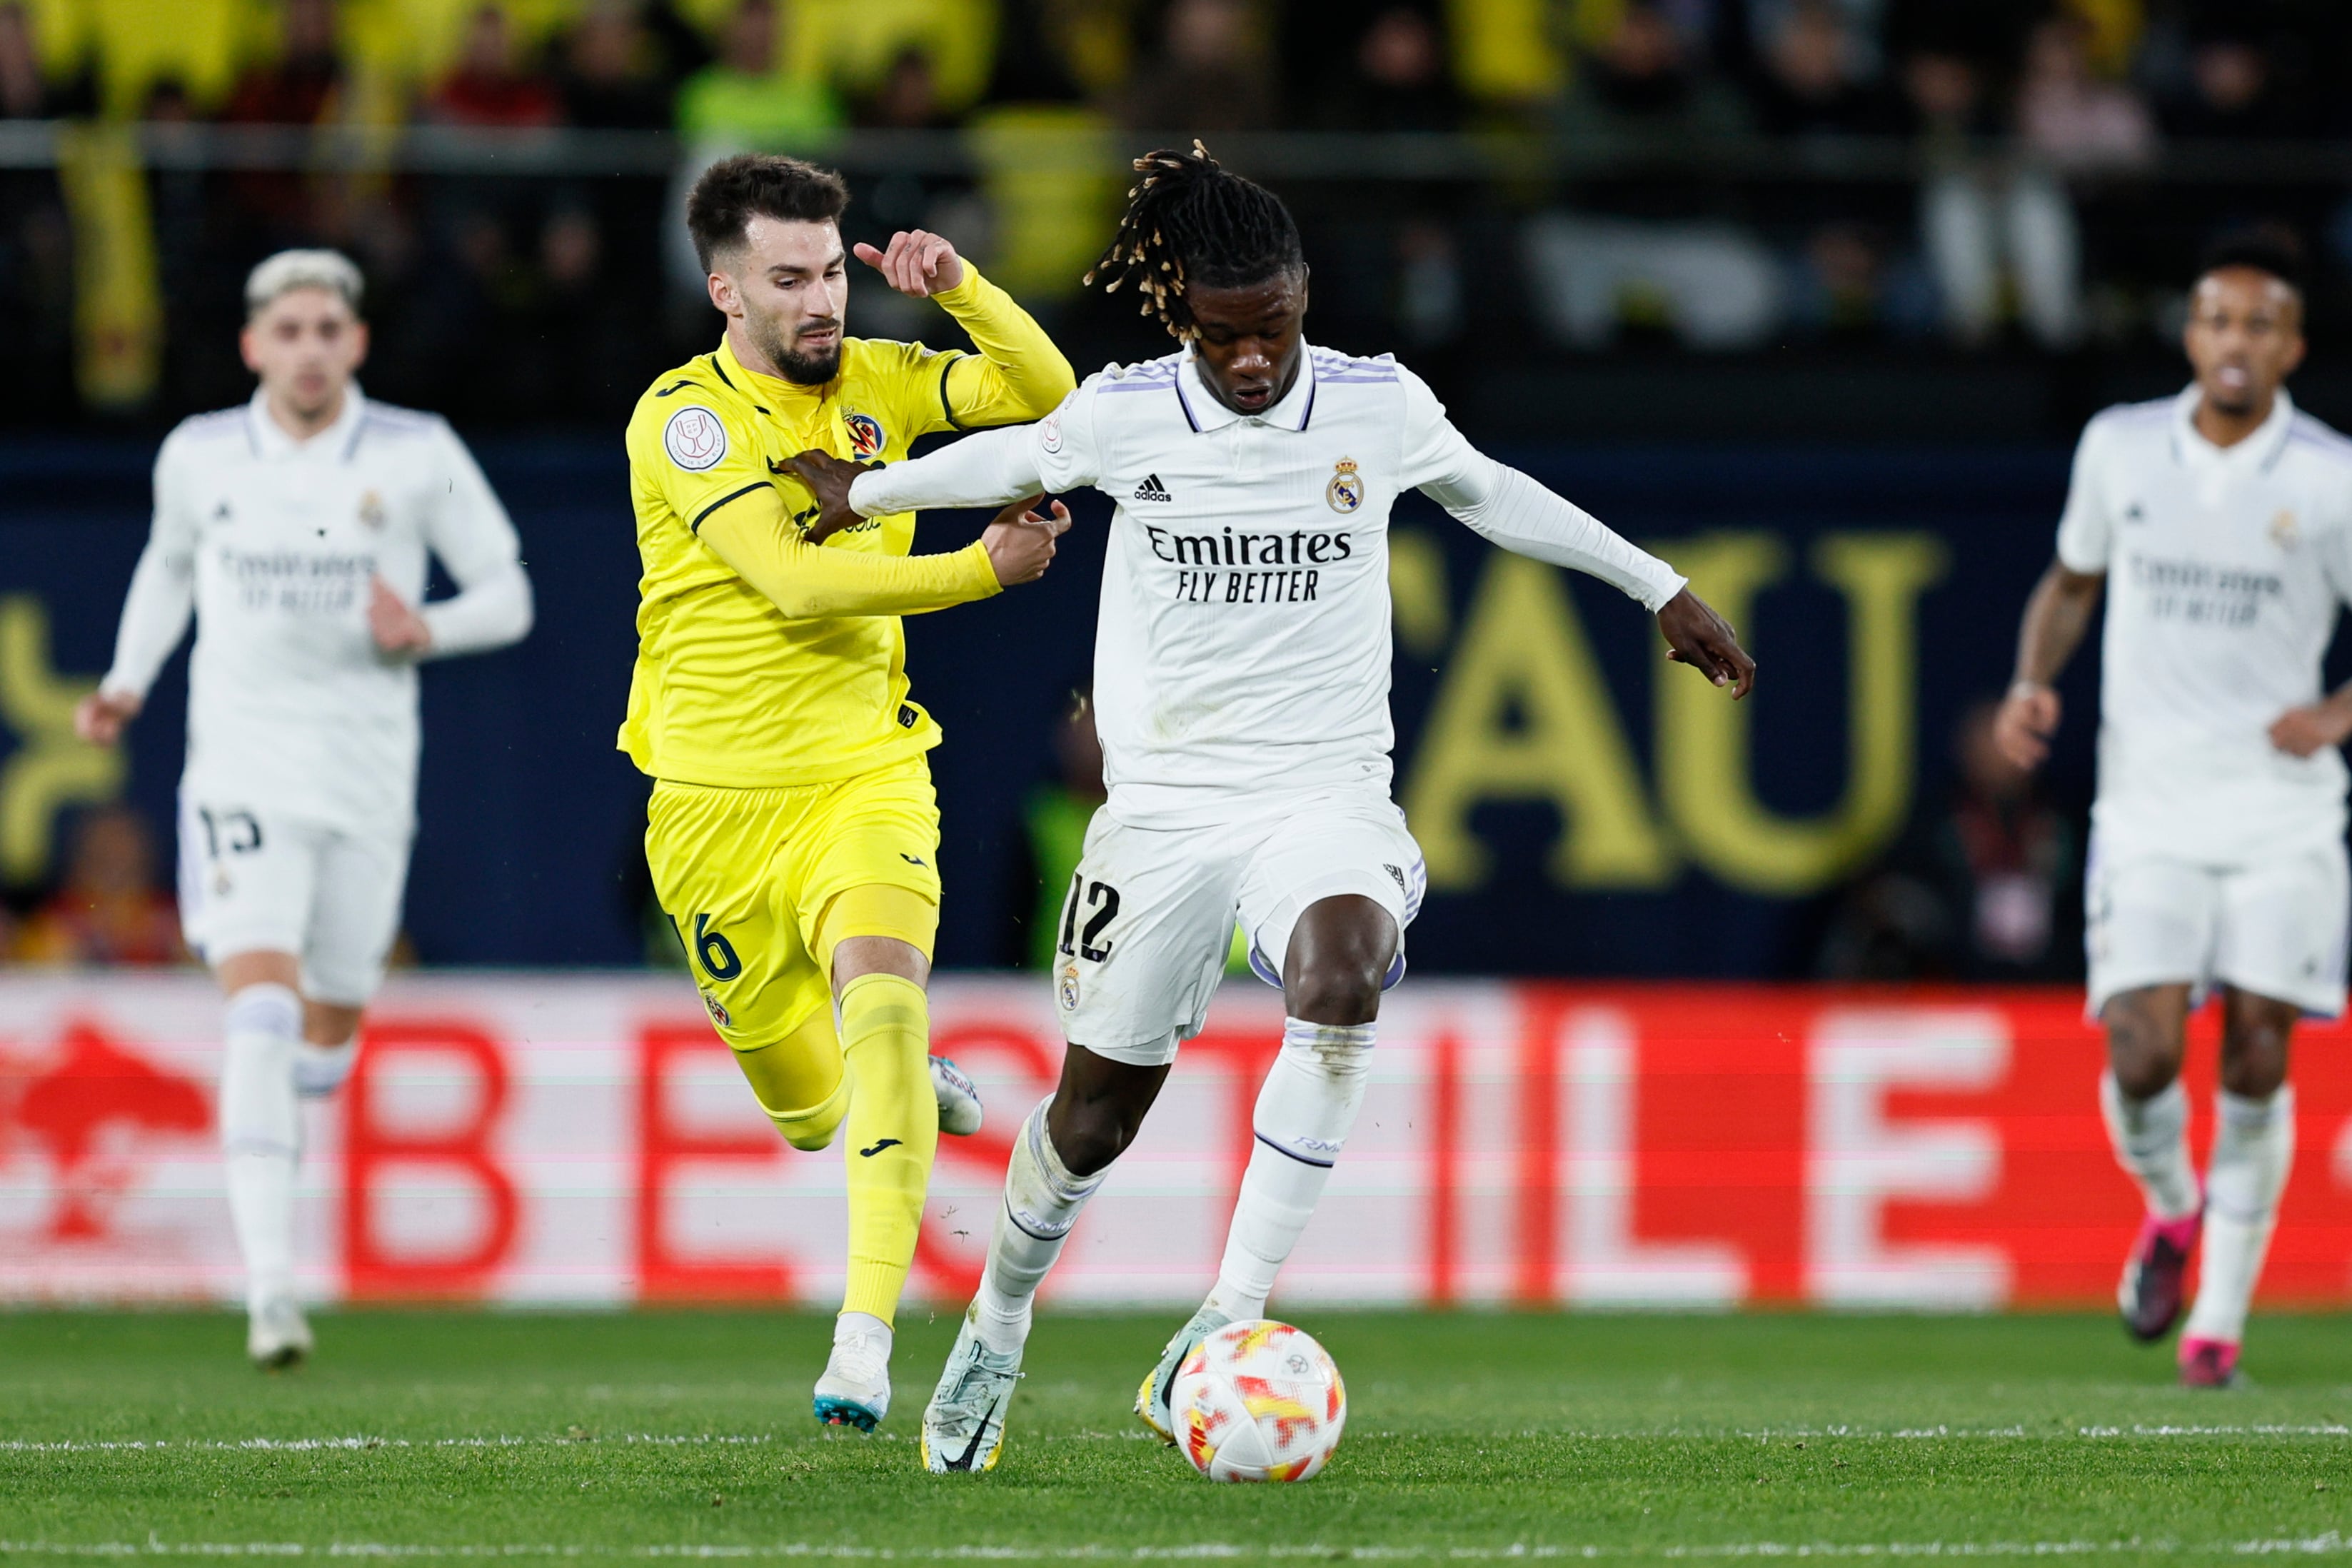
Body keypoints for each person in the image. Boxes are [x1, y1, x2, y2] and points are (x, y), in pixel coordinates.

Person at [788, 144, 1757, 1474]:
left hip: (1323, 794)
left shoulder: (1377, 404)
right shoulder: (1129, 413)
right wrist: (866, 494)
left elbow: (1494, 493)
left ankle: (1223, 1319)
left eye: (1275, 330)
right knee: (1090, 1122)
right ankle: (998, 1324)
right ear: (1183, 311)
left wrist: (1659, 587)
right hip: (1166, 814)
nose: (1253, 362)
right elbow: (1016, 455)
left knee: (1344, 972)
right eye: (1226, 336)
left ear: (1304, 295)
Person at [622, 153, 1074, 1432]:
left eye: (831, 270)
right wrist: (981, 572)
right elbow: (796, 585)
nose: (822, 300)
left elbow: (1051, 402)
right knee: (812, 1112)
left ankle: (863, 1342)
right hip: (710, 809)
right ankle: (893, 1088)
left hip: (866, 773)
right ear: (724, 290)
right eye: (789, 279)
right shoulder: (685, 420)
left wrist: (966, 287)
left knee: (883, 1007)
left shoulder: (879, 377)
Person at [74, 248, 535, 1368]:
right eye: (288, 331)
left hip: (367, 778)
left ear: (357, 342)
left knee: (327, 1026)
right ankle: (270, 1294)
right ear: (252, 346)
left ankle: (306, 1092)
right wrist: (130, 679)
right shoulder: (200, 454)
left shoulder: (415, 454)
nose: (310, 349)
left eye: (329, 328)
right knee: (262, 1010)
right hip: (239, 770)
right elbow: (169, 567)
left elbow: (510, 593)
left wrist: (425, 625)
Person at [1994, 231, 2352, 1389]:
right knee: (2143, 1050)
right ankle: (2170, 1208)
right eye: (2213, 318)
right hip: (2148, 807)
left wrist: (2336, 715)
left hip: (2281, 812)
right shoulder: (2120, 446)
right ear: (2189, 334)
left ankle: (2215, 1333)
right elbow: (2072, 578)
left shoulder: (2327, 477)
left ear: (2291, 345)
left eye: (2256, 323)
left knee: (2256, 1051)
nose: (2232, 341)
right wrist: (2032, 682)